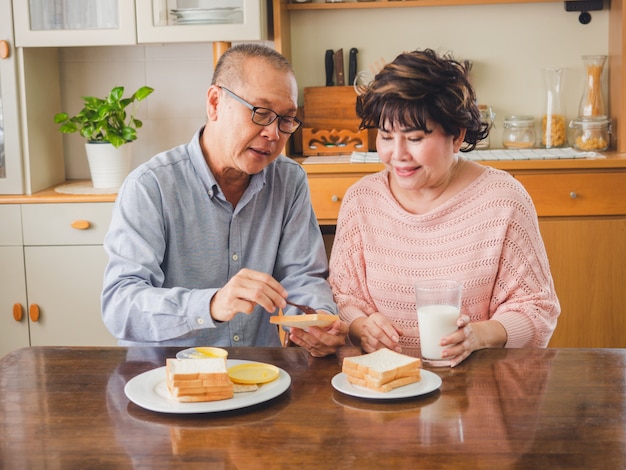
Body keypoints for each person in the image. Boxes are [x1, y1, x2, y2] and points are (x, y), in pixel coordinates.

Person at [102, 43, 348, 357]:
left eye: (286, 120)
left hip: (259, 375)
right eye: (261, 113)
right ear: (215, 103)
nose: (273, 134)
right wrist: (212, 304)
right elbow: (120, 305)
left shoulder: (289, 180)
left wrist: (317, 320)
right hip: (166, 381)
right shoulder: (150, 187)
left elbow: (303, 276)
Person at [328, 48, 560, 366]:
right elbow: (342, 298)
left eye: (414, 138)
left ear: (455, 135)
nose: (397, 154)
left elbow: (537, 309)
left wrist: (478, 336)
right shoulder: (361, 201)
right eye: (385, 136)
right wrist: (360, 328)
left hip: (473, 391)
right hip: (385, 390)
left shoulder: (503, 200)